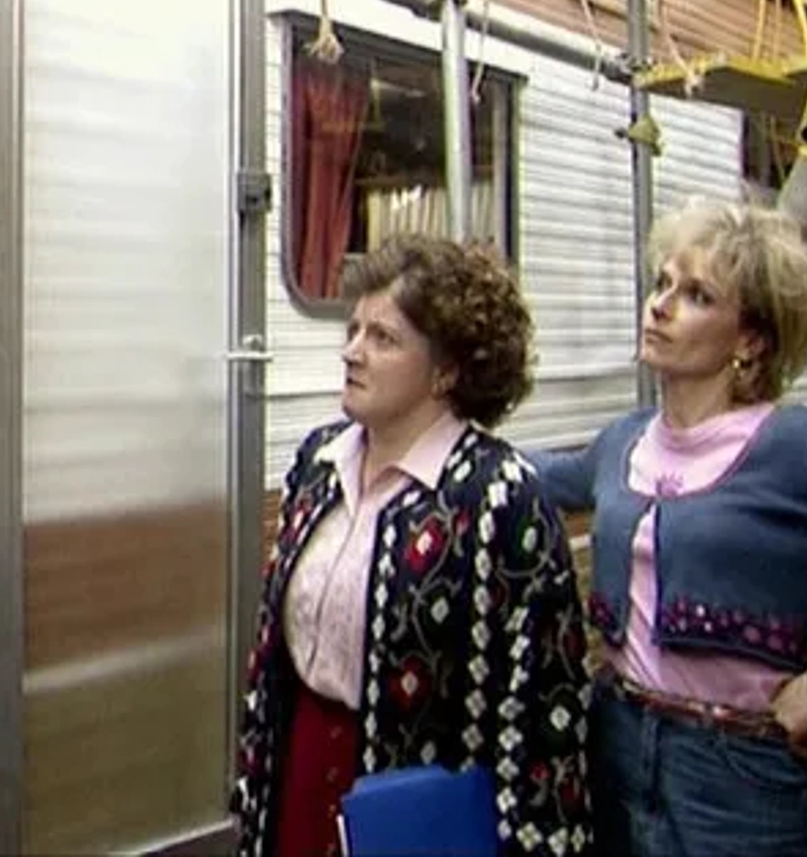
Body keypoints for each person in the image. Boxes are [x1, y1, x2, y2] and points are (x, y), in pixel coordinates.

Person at [528, 198, 807, 856]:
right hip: (612, 746)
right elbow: (526, 475)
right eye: (661, 284)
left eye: (696, 295)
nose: (661, 306)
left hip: (737, 776)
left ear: (751, 338)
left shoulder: (804, 450)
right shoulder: (622, 443)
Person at [232, 235, 592, 857]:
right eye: (353, 329)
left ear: (447, 370)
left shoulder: (499, 497)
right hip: (296, 771)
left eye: (383, 338)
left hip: (415, 812)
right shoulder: (320, 462)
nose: (352, 352)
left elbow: (542, 712)